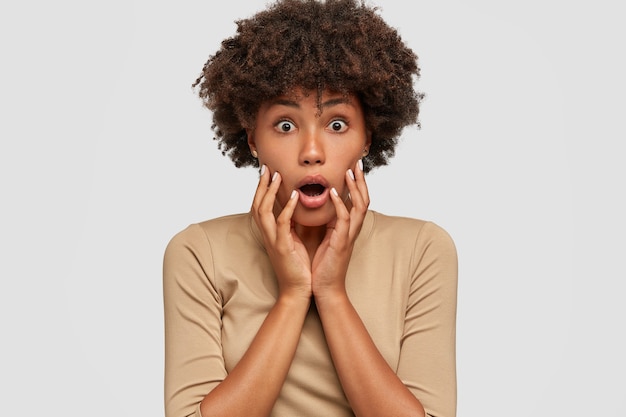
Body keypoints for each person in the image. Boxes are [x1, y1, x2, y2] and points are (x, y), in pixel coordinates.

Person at [162, 0, 458, 416]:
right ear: (252, 139)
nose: (312, 152)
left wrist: (332, 294)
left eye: (337, 124)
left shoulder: (422, 250)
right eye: (285, 125)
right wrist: (293, 294)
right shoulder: (198, 252)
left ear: (367, 137)